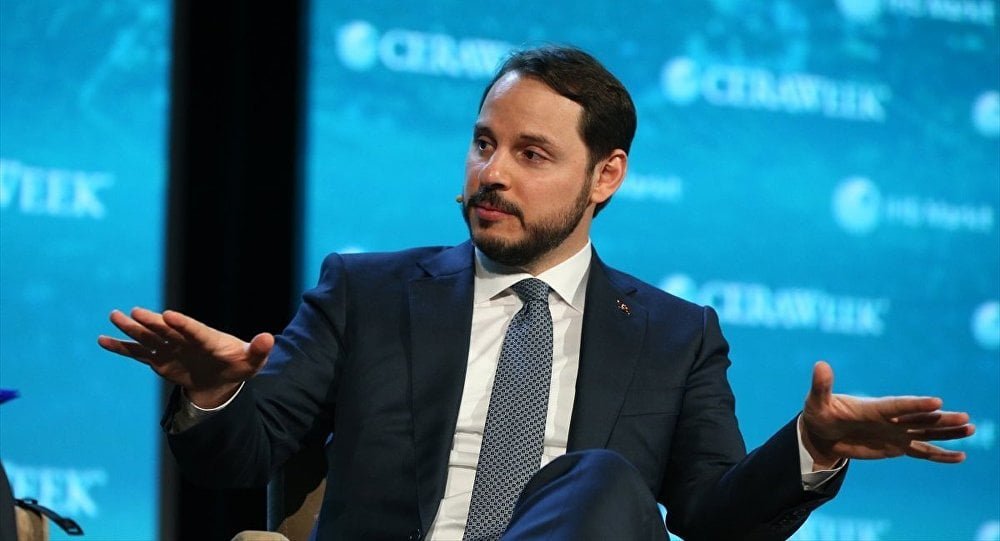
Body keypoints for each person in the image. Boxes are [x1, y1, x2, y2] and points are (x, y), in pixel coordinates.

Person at [99, 46, 973, 540]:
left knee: (600, 480)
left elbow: (712, 520)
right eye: (484, 143)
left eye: (531, 154)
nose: (492, 173)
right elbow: (240, 458)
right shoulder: (367, 292)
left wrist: (811, 446)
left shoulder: (675, 336)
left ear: (606, 176)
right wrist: (214, 394)